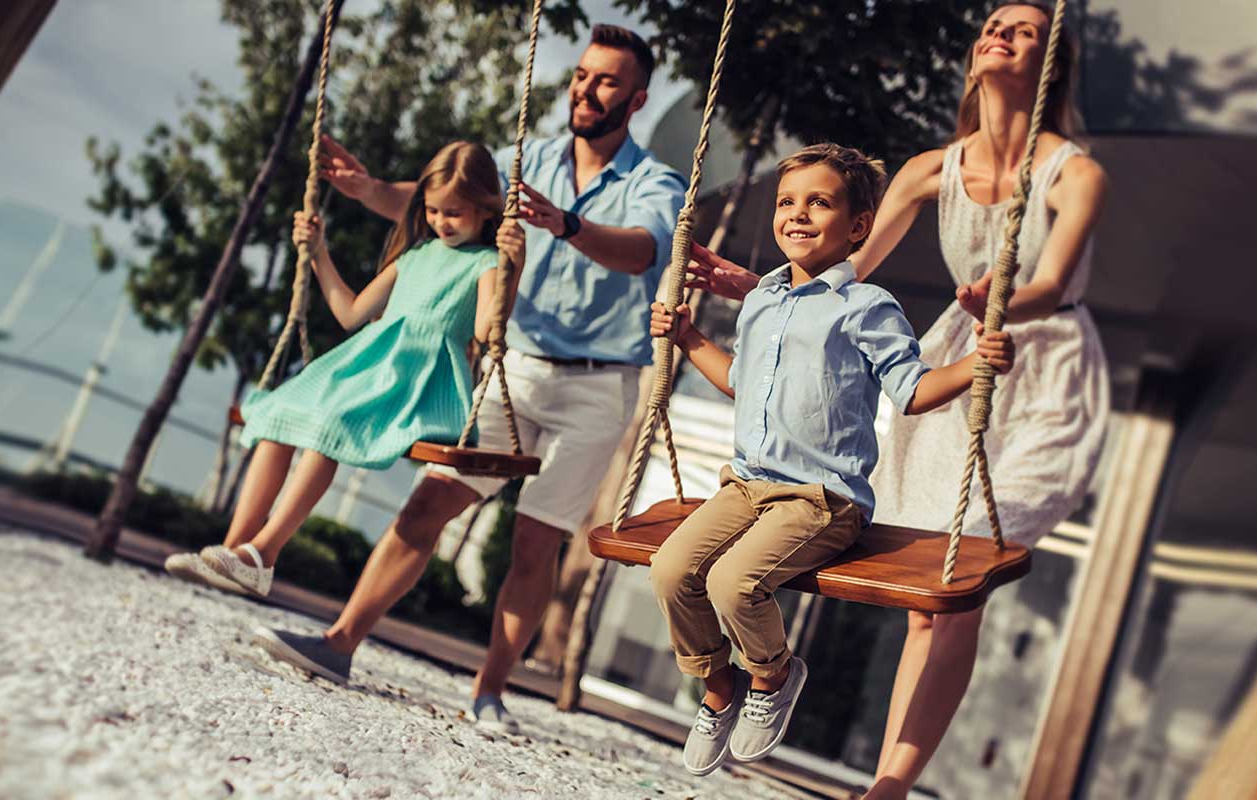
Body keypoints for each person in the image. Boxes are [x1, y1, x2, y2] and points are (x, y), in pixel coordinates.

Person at [681, 4, 1108, 796]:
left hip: (1037, 368)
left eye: (1020, 28)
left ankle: (889, 786)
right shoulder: (929, 169)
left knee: (962, 576)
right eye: (991, 25)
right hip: (954, 362)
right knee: (927, 598)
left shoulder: (1073, 172)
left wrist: (1000, 299)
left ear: (1054, 60)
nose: (996, 36)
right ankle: (892, 782)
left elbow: (1049, 282)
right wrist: (755, 286)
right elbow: (839, 275)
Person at [249, 24, 685, 736]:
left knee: (533, 545)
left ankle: (489, 691)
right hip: (512, 373)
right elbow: (444, 205)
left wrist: (567, 224)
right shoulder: (527, 158)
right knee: (424, 511)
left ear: (635, 99)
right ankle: (338, 645)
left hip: (598, 387)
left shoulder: (653, 183)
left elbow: (640, 253)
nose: (586, 89)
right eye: (581, 75)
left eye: (606, 81)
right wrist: (365, 190)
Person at [647, 144, 1015, 776]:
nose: (797, 214)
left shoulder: (868, 307)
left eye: (819, 202)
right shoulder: (762, 299)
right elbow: (742, 380)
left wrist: (976, 364)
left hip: (822, 499)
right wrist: (689, 338)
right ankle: (718, 689)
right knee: (670, 570)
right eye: (787, 201)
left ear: (858, 227)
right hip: (745, 487)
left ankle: (773, 674)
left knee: (732, 583)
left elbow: (913, 391)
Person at [163, 141, 524, 602]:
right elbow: (351, 313)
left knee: (331, 423)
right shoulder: (414, 256)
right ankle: (234, 551)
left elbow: (485, 330)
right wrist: (318, 252)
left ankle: (265, 554)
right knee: (278, 413)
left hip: (420, 381)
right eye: (432, 210)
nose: (440, 222)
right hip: (369, 364)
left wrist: (513, 266)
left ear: (483, 208)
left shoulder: (486, 262)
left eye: (454, 212)